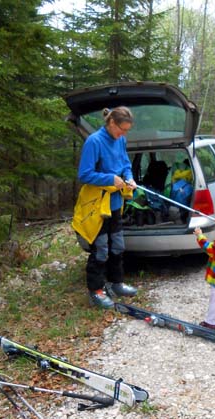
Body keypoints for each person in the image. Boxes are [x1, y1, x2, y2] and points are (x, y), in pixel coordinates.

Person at [75, 106, 138, 308]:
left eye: (127, 131)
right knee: (101, 248)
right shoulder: (94, 141)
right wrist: (109, 178)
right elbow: (84, 174)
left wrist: (129, 178)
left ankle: (116, 283)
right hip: (97, 205)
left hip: (115, 203)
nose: (124, 134)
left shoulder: (121, 139)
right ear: (112, 123)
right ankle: (96, 290)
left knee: (117, 245)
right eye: (122, 129)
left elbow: (126, 164)